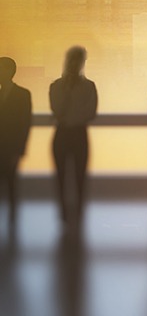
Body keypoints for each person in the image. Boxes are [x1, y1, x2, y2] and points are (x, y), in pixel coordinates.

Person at [48, 46, 98, 234]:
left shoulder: (88, 86)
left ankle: (78, 214)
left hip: (77, 133)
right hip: (64, 134)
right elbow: (57, 109)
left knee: (80, 177)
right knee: (61, 176)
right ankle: (63, 213)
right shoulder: (57, 86)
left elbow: (91, 112)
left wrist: (70, 117)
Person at [0, 57, 33, 232]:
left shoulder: (22, 95)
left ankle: (12, 223)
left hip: (10, 148)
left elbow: (24, 124)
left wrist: (20, 149)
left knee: (11, 184)